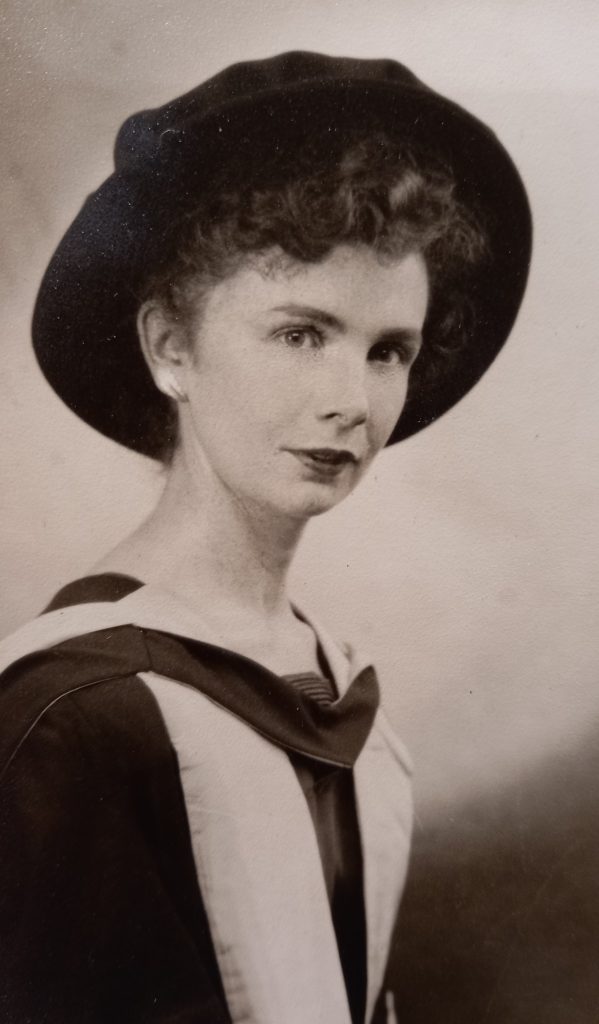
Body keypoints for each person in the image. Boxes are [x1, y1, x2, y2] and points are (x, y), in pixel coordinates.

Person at [0, 52, 531, 1024]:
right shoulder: (76, 716)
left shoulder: (333, 692)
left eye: (386, 351)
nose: (348, 401)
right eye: (299, 334)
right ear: (170, 347)